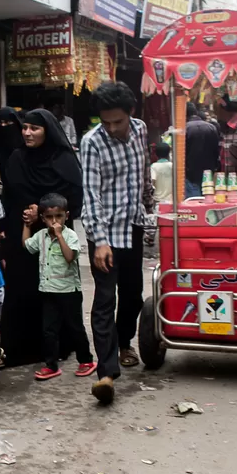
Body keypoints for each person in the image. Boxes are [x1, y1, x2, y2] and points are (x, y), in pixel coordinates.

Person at [81, 81, 154, 405]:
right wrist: (99, 241)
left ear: (131, 114)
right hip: (105, 235)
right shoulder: (92, 142)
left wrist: (151, 209)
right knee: (104, 300)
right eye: (105, 122)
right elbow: (91, 193)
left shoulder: (140, 130)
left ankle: (124, 343)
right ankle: (106, 373)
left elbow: (142, 176)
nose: (111, 128)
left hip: (134, 226)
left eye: (117, 122)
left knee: (134, 295)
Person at [1, 109, 83, 367]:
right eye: (24, 127)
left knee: (56, 292)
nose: (27, 133)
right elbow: (10, 195)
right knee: (23, 288)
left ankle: (58, 345)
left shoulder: (64, 160)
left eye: (34, 128)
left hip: (54, 237)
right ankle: (21, 347)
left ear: (47, 131)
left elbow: (75, 199)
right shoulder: (16, 158)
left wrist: (43, 210)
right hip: (22, 232)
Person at [23, 192, 94, 380]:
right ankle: (51, 365)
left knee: (75, 327)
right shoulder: (41, 236)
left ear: (66, 216)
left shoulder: (70, 236)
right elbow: (28, 246)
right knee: (49, 330)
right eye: (49, 217)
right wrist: (27, 226)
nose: (54, 221)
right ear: (43, 219)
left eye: (59, 217)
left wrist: (59, 235)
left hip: (69, 291)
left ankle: (86, 360)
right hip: (48, 291)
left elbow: (70, 257)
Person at [184, 101, 220, 198]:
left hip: (190, 170)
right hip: (209, 168)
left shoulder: (184, 129)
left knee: (193, 198)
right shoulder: (211, 127)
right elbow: (217, 148)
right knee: (208, 194)